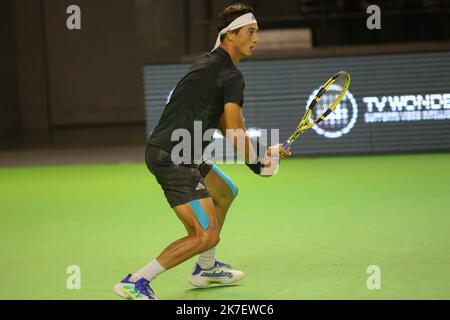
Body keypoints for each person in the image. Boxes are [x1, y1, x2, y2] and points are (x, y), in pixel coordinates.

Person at [114, 3, 291, 300]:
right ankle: (136, 281)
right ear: (230, 35)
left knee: (225, 191)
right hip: (173, 157)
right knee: (204, 234)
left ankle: (205, 269)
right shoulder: (230, 75)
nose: (256, 39)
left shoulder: (209, 64)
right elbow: (234, 131)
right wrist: (257, 165)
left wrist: (262, 152)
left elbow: (222, 124)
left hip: (182, 152)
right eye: (251, 32)